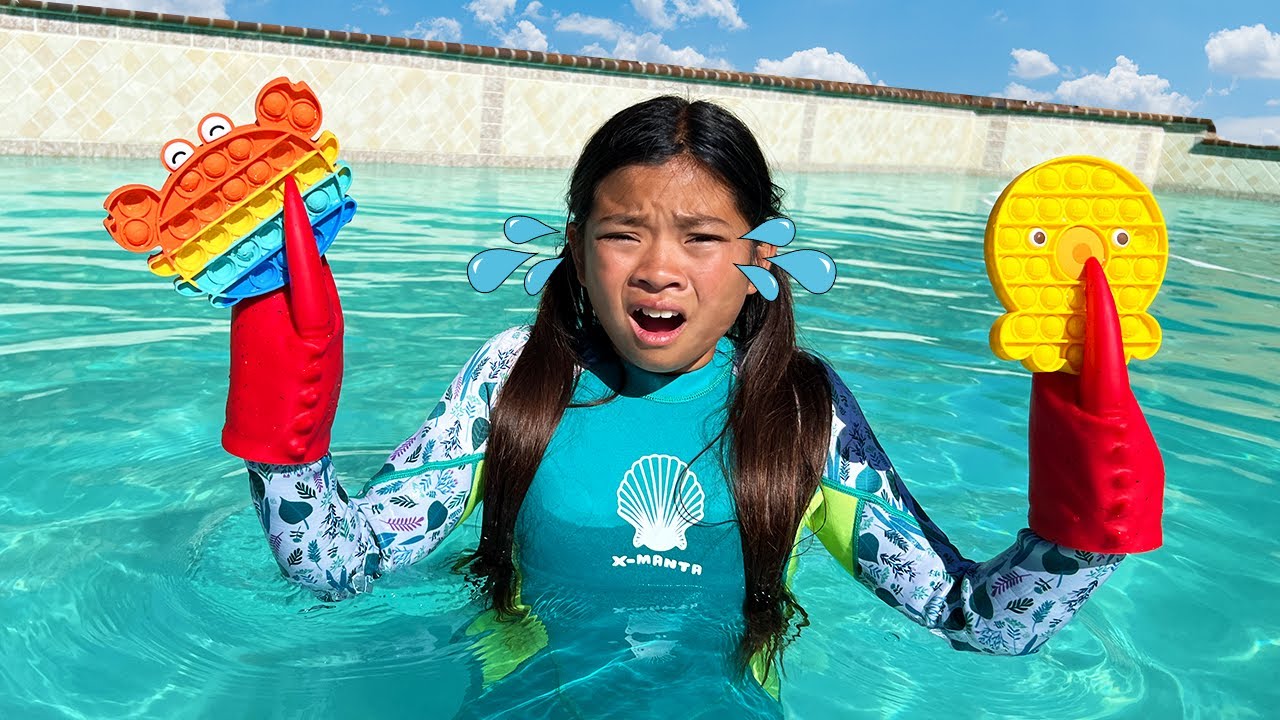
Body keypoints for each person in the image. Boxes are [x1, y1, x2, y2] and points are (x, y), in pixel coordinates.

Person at [222, 96, 1164, 718]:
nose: (660, 268)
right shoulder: (515, 377)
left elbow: (983, 622)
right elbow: (336, 570)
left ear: (759, 257)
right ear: (576, 245)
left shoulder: (805, 412)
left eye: (703, 236)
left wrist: (1087, 513)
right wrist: (284, 430)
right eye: (623, 232)